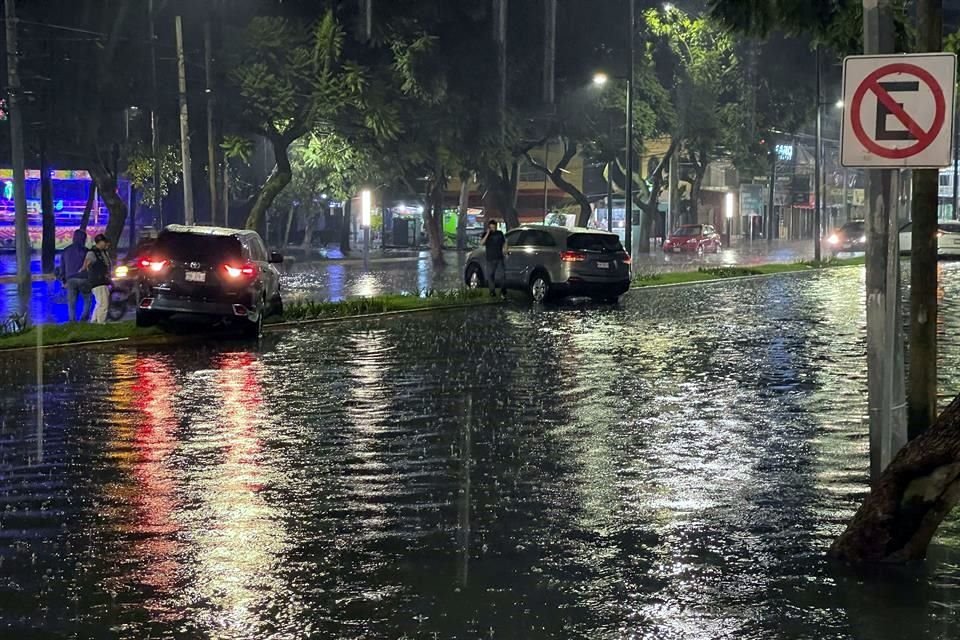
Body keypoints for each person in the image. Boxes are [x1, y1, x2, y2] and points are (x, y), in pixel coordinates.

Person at [60, 230, 91, 322]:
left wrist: (63, 280)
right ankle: (83, 319)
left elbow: (63, 267)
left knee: (71, 303)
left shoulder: (66, 251)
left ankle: (72, 321)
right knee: (87, 300)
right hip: (84, 278)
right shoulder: (86, 251)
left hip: (70, 279)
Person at [83, 234, 113, 324]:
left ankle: (94, 321)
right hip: (98, 281)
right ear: (99, 242)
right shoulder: (92, 253)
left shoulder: (102, 252)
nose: (106, 244)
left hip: (103, 280)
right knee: (104, 304)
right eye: (104, 242)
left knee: (100, 303)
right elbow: (86, 264)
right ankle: (101, 323)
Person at [481, 219, 506, 297]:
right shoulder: (486, 234)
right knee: (490, 275)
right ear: (489, 227)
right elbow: (482, 243)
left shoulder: (500, 233)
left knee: (502, 275)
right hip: (490, 258)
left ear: (496, 226)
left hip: (499, 257)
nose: (492, 229)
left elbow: (504, 242)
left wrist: (505, 249)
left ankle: (503, 290)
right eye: (491, 227)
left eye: (494, 227)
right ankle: (492, 291)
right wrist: (488, 233)